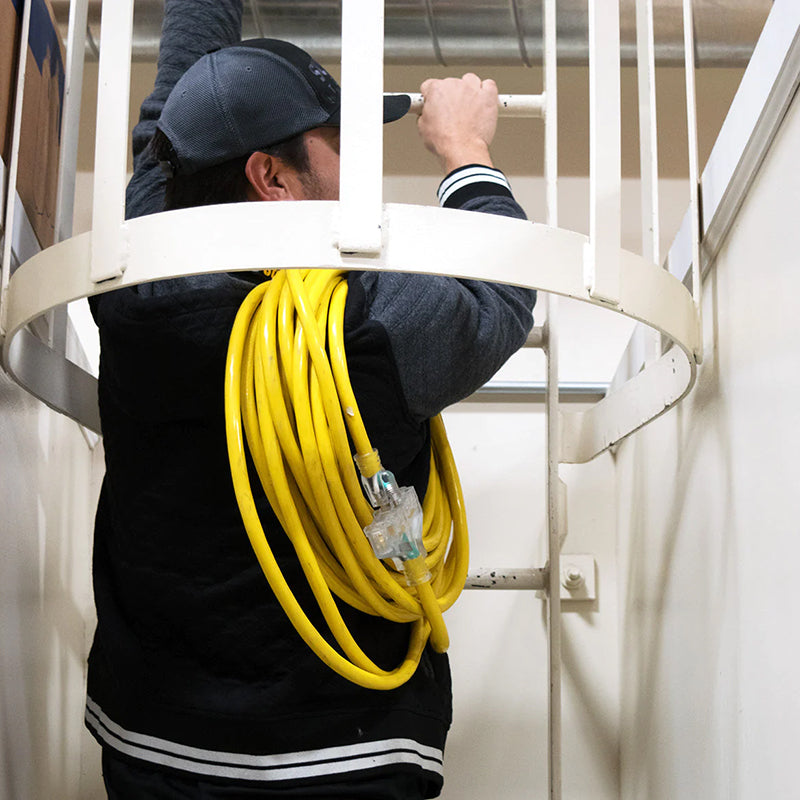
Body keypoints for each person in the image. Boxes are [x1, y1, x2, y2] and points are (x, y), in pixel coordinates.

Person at [85, 1, 536, 798]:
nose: (353, 169)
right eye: (337, 145)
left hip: (154, 746)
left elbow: (165, 121)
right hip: (346, 755)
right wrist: (465, 148)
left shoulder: (132, 278)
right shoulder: (365, 321)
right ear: (272, 178)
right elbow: (500, 297)